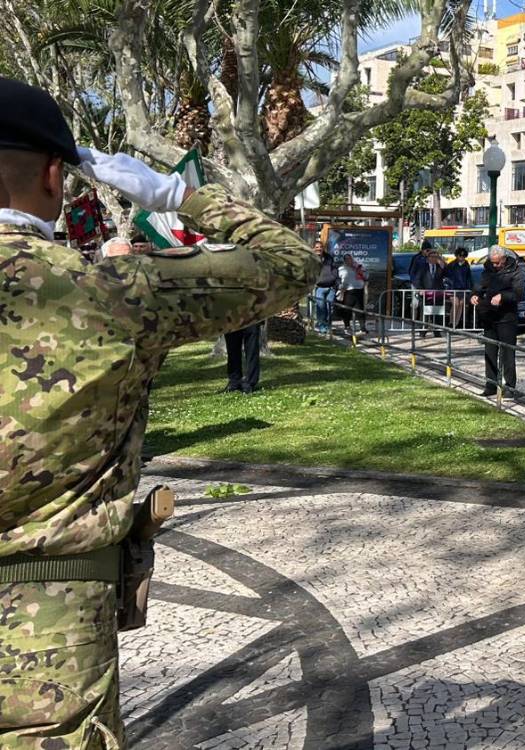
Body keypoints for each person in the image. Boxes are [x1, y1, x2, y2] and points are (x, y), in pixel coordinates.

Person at [0, 77, 318, 748]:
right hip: (50, 632)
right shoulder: (112, 292)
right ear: (58, 177)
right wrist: (176, 193)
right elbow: (288, 263)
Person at [474, 247, 525, 396]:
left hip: (507, 318)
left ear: (504, 259)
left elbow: (519, 293)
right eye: (493, 263)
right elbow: (481, 285)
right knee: (490, 352)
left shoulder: (515, 271)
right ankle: (490, 385)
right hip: (489, 316)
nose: (495, 265)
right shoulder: (488, 269)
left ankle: (510, 387)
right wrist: (475, 294)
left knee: (507, 354)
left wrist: (502, 296)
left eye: (497, 263)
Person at [409, 241, 445, 336]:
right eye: (432, 257)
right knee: (425, 313)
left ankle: (437, 332)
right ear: (428, 258)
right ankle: (423, 331)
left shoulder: (439, 267)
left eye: (436, 257)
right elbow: (416, 279)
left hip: (437, 293)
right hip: (426, 292)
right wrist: (420, 289)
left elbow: (448, 273)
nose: (434, 259)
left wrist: (441, 262)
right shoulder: (422, 267)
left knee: (437, 312)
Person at [443, 246, 475, 329]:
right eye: (460, 256)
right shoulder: (452, 265)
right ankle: (451, 322)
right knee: (455, 304)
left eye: (463, 256)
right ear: (457, 256)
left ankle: (456, 324)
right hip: (453, 288)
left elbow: (469, 277)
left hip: (463, 288)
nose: (462, 257)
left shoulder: (466, 265)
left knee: (460, 305)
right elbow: (447, 276)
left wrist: (470, 288)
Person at [313, 239, 340, 334]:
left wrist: (335, 280)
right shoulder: (312, 259)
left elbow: (334, 270)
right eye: (317, 247)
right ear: (313, 249)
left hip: (331, 287)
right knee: (321, 307)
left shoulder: (329, 257)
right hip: (319, 287)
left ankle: (328, 325)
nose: (319, 249)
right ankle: (321, 325)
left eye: (320, 247)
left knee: (329, 308)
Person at [337, 253, 368, 335]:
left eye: (349, 258)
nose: (348, 260)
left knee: (360, 310)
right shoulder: (341, 268)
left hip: (359, 290)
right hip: (348, 291)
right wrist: (341, 287)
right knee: (346, 310)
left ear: (352, 259)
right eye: (346, 259)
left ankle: (363, 328)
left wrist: (360, 271)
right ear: (344, 260)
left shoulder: (359, 266)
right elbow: (340, 279)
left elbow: (367, 276)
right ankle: (347, 326)